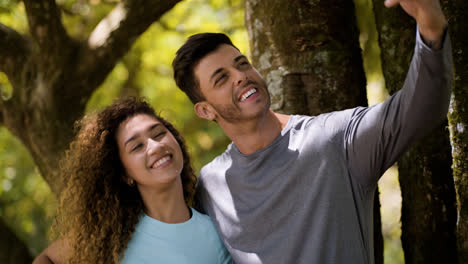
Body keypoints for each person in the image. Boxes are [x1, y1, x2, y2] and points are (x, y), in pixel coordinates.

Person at [171, 0, 452, 263]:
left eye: (242, 64)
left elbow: (420, 109)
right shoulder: (210, 186)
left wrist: (430, 26)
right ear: (206, 111)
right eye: (222, 79)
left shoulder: (333, 140)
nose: (241, 76)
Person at [32, 97, 232, 264]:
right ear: (124, 174)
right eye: (137, 146)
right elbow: (47, 258)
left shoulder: (215, 234)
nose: (155, 146)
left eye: (159, 133)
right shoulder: (109, 235)